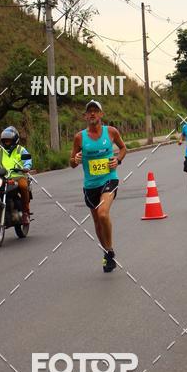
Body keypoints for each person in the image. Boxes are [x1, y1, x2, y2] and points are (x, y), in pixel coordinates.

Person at [70, 100, 126, 273]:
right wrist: (76, 160)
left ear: (101, 114)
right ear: (85, 116)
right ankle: (107, 251)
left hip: (109, 179)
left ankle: (109, 253)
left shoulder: (111, 132)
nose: (92, 114)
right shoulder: (80, 137)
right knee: (97, 221)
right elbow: (71, 162)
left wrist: (117, 160)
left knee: (102, 214)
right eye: (89, 111)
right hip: (90, 185)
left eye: (96, 111)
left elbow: (123, 148)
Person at [0, 126, 32, 226]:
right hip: (2, 177)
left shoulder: (20, 150)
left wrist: (26, 167)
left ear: (14, 140)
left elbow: (27, 160)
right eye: (5, 141)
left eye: (9, 141)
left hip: (18, 176)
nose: (7, 142)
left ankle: (25, 212)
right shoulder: (0, 152)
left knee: (23, 186)